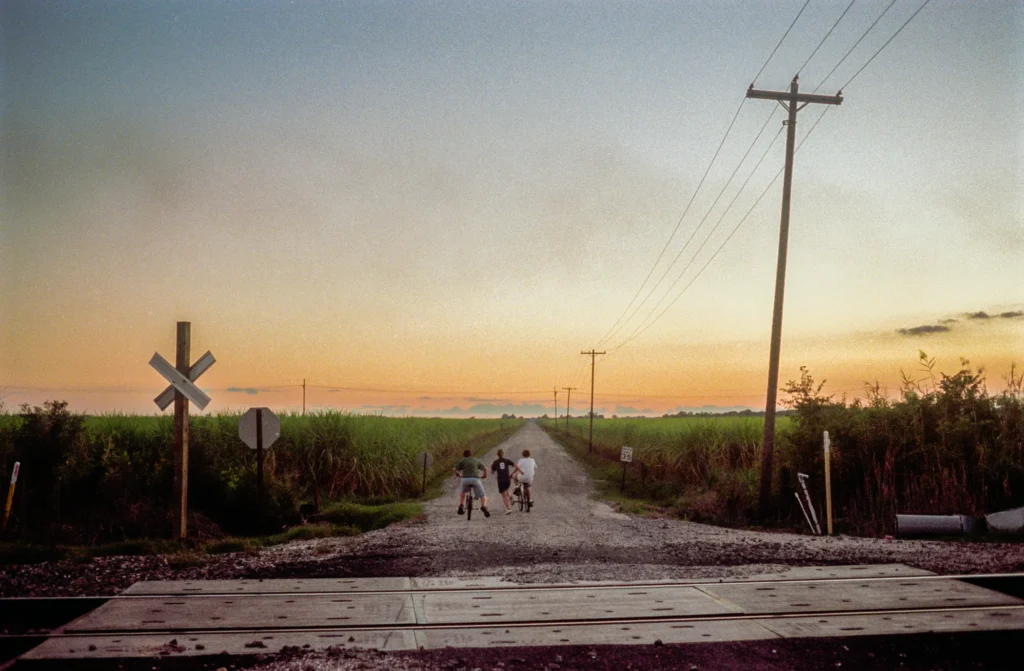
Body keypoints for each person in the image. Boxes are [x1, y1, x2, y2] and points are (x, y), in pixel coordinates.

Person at [453, 449, 490, 517]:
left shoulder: (463, 461)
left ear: (464, 455)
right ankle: (484, 506)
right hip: (475, 479)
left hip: (465, 479)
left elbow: (454, 469)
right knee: (483, 495)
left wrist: (457, 474)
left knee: (463, 492)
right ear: (471, 455)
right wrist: (485, 475)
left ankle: (461, 505)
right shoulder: (476, 460)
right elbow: (485, 468)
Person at [490, 449, 517, 514]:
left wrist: (491, 470)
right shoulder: (507, 460)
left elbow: (492, 472)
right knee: (506, 491)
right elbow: (515, 465)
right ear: (503, 454)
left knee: (504, 495)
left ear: (497, 455)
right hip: (507, 479)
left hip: (501, 480)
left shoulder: (495, 462)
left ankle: (508, 508)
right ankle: (511, 497)